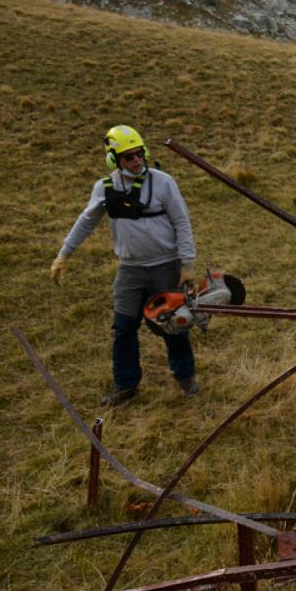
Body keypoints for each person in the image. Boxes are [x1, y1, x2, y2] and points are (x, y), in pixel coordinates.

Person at [50, 125, 200, 405]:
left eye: (139, 153)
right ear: (114, 159)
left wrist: (187, 263)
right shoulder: (105, 188)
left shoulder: (163, 182)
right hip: (130, 270)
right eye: (129, 156)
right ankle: (126, 385)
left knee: (174, 325)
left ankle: (186, 378)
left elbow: (182, 221)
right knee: (123, 328)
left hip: (166, 267)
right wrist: (64, 255)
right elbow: (86, 221)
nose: (137, 160)